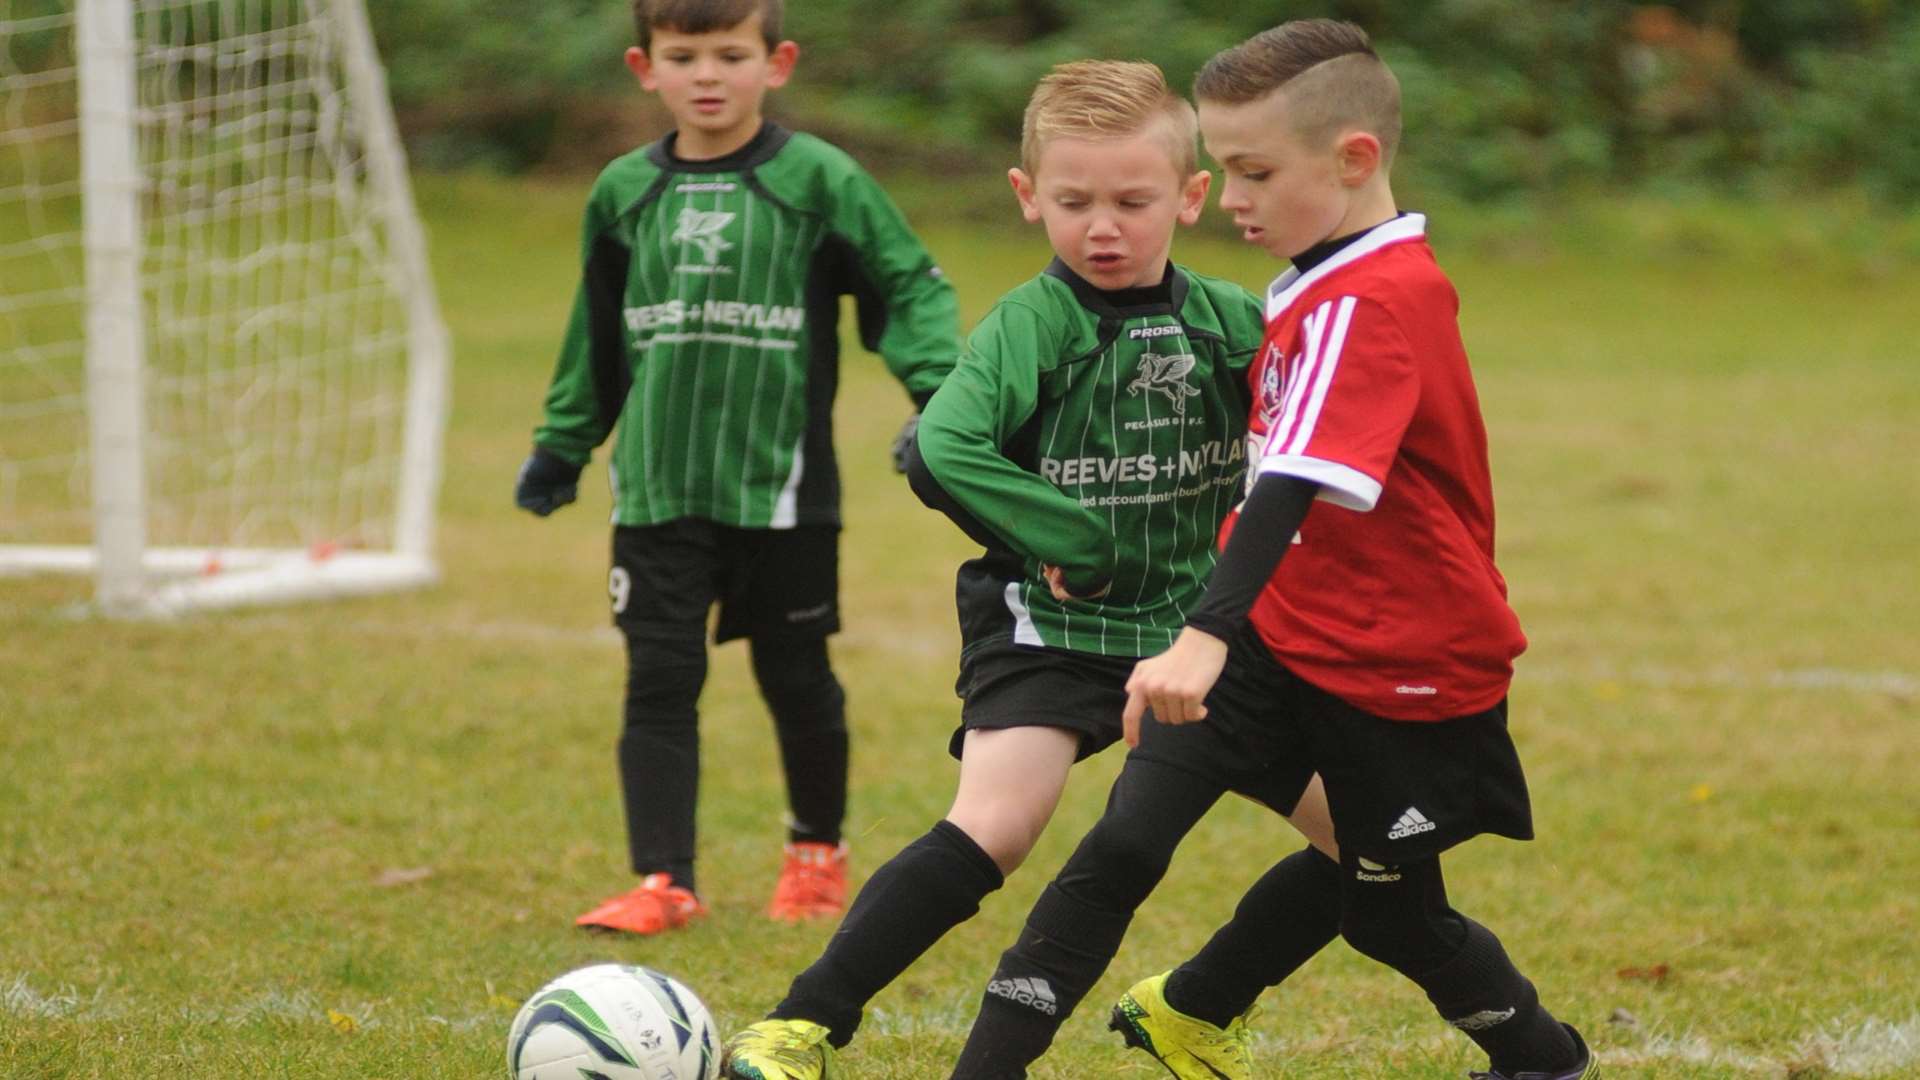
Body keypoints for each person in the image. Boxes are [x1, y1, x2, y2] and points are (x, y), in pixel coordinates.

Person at [944, 20, 1599, 1080]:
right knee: (1122, 846)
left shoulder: (1377, 296)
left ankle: (1543, 1056)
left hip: (1407, 664)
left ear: (1353, 160)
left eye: (1252, 171)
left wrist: (1201, 633)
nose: (1231, 195)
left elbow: (1293, 480)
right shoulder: (1310, 278)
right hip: (1279, 634)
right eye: (1224, 166)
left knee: (1390, 912)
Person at [722, 59, 1337, 1080]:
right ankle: (801, 1024)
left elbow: (1306, 437)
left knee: (1365, 838)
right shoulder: (1031, 325)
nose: (1105, 226)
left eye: (1134, 202)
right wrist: (1067, 540)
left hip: (1196, 641)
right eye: (1074, 201)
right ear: (1027, 197)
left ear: (1189, 197)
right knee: (998, 826)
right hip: (1052, 634)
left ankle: (1195, 1007)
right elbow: (942, 447)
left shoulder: (1233, 323)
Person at [513, 0, 961, 936]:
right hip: (657, 487)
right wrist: (565, 442)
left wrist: (942, 401)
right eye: (684, 56)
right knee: (658, 680)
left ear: (778, 61)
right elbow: (596, 330)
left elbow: (907, 285)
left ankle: (815, 858)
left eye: (730, 54)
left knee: (795, 675)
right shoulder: (622, 191)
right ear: (646, 66)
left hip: (784, 490)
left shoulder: (819, 179)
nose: (706, 75)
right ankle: (662, 881)